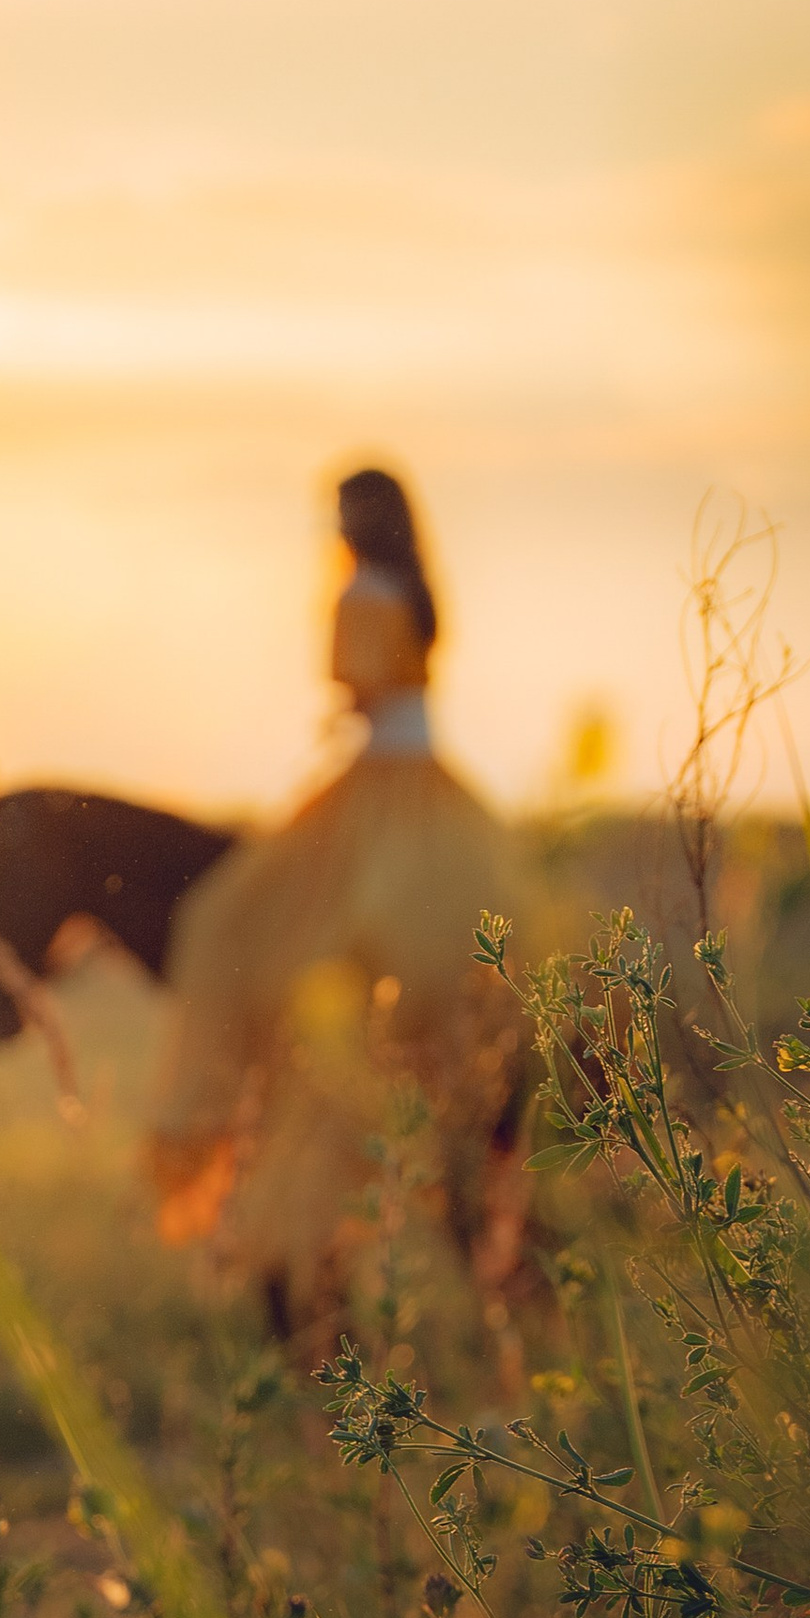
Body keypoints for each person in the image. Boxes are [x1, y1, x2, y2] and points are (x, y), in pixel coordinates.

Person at [147, 465, 523, 1341]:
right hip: (433, 785)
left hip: (375, 788)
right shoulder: (420, 593)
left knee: (227, 921)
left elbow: (356, 693)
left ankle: (209, 1123)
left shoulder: (358, 591)